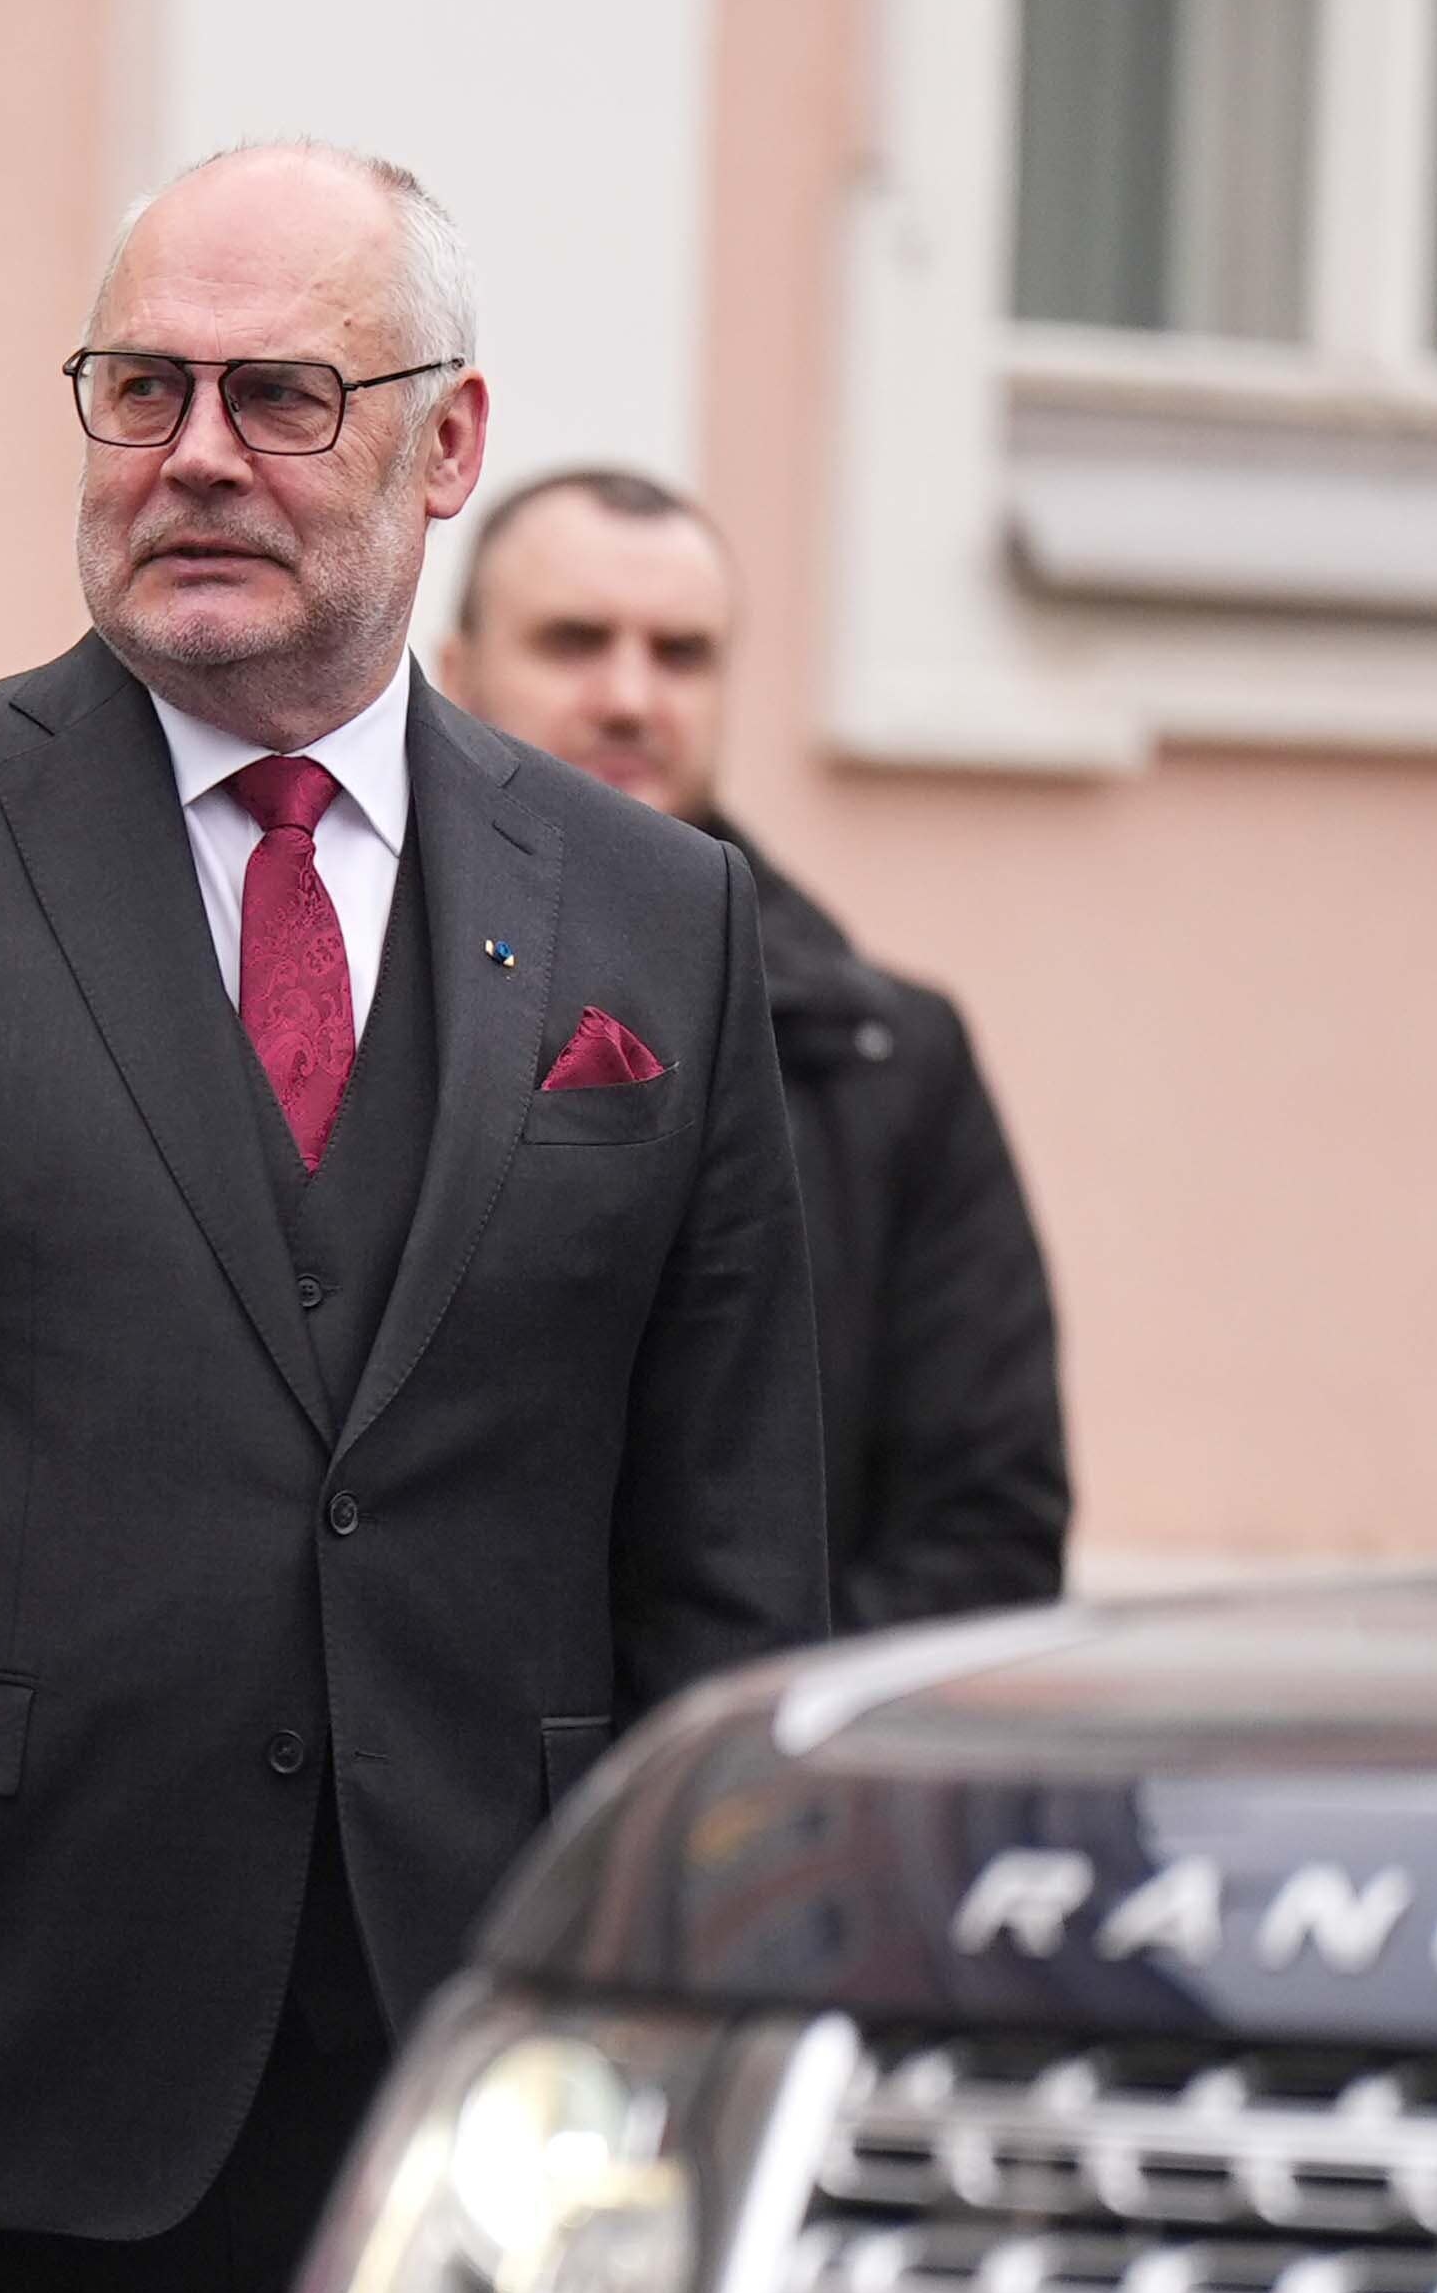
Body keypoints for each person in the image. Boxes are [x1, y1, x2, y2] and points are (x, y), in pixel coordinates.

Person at [0, 143, 830, 2293]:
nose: (194, 459)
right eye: (138, 391)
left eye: (278, 399)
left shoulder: (656, 919)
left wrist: (703, 2033)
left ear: (449, 443)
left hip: (475, 2136)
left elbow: (721, 1564)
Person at [435, 465, 1068, 1628]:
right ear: (456, 672)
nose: (631, 697)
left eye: (680, 655)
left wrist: (741, 1740)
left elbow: (983, 1536)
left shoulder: (883, 1059)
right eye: (574, 642)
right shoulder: (337, 993)